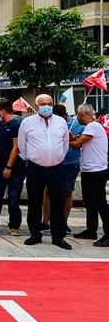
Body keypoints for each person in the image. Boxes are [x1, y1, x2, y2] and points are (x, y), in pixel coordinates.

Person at [18, 94, 70, 249]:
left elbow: (65, 144)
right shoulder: (27, 122)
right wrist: (33, 158)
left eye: (49, 103)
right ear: (37, 105)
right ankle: (35, 234)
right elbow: (22, 145)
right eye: (43, 104)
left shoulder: (61, 122)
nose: (47, 106)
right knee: (34, 201)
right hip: (35, 167)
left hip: (57, 167)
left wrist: (56, 156)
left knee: (58, 202)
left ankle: (58, 236)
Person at [69, 104, 109, 246]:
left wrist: (67, 139)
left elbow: (77, 144)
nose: (77, 118)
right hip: (89, 170)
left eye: (77, 115)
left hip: (96, 171)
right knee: (90, 203)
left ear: (82, 114)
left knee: (100, 203)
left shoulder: (93, 126)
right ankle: (91, 230)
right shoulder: (92, 127)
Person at [41, 105, 82, 234]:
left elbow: (81, 141)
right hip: (52, 162)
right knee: (48, 192)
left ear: (65, 115)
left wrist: (70, 139)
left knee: (67, 192)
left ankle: (63, 223)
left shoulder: (76, 124)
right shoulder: (49, 123)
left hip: (70, 163)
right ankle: (45, 222)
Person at [0, 99, 25, 235]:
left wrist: (8, 167)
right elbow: (0, 145)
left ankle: (14, 225)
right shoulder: (2, 125)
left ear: (2, 110)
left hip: (16, 168)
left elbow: (16, 148)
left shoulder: (17, 125)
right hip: (0, 167)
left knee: (13, 198)